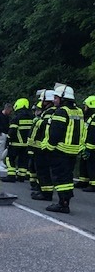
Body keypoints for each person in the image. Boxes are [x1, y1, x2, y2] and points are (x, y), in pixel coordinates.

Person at [44, 84, 84, 213]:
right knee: (67, 177)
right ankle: (65, 201)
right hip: (73, 151)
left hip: (60, 151)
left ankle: (63, 204)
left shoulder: (62, 111)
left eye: (56, 98)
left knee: (60, 178)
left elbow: (56, 132)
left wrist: (49, 148)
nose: (54, 100)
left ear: (63, 98)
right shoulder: (78, 111)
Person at [30, 89, 58, 201]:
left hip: (43, 147)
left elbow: (43, 130)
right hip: (41, 146)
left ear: (48, 101)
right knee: (41, 171)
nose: (41, 103)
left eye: (43, 100)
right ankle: (42, 191)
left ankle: (46, 194)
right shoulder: (48, 112)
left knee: (43, 171)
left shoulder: (50, 113)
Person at [2, 98, 34, 182]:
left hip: (15, 143)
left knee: (10, 158)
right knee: (23, 160)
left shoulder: (17, 117)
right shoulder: (32, 117)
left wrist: (8, 141)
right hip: (26, 144)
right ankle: (21, 176)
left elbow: (12, 131)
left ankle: (11, 176)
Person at [80, 95, 95, 192]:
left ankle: (93, 184)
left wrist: (89, 148)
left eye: (86, 106)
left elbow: (93, 135)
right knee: (84, 164)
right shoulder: (91, 117)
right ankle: (83, 181)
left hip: (92, 147)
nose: (84, 109)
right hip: (87, 146)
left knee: (92, 165)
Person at [0, 103, 12, 170]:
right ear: (6, 109)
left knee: (4, 148)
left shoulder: (6, 116)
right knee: (1, 149)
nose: (10, 112)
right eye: (9, 110)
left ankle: (0, 161)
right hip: (0, 134)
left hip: (5, 133)